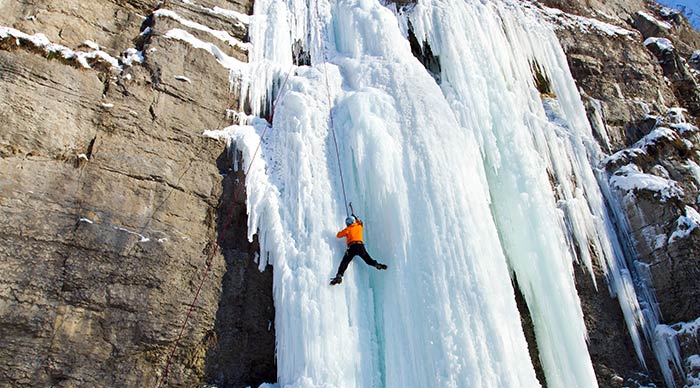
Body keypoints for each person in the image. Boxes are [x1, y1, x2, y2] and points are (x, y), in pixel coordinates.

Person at [330, 214, 387, 285]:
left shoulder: (348, 229)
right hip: (360, 246)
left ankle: (339, 276)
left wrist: (346, 230)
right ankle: (376, 264)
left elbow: (338, 235)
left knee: (345, 262)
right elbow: (361, 223)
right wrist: (356, 218)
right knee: (368, 259)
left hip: (352, 247)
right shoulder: (359, 227)